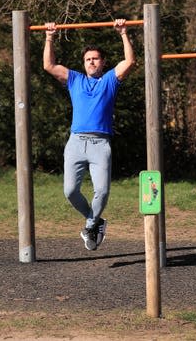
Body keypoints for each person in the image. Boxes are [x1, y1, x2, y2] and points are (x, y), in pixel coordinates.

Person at [43, 19, 135, 251]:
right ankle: (95, 222)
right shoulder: (75, 79)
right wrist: (49, 37)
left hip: (100, 144)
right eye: (87, 59)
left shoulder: (109, 81)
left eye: (95, 58)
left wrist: (123, 33)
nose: (91, 62)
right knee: (70, 191)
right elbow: (49, 66)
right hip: (75, 143)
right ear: (83, 64)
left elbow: (130, 61)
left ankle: (91, 224)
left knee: (102, 190)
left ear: (102, 62)